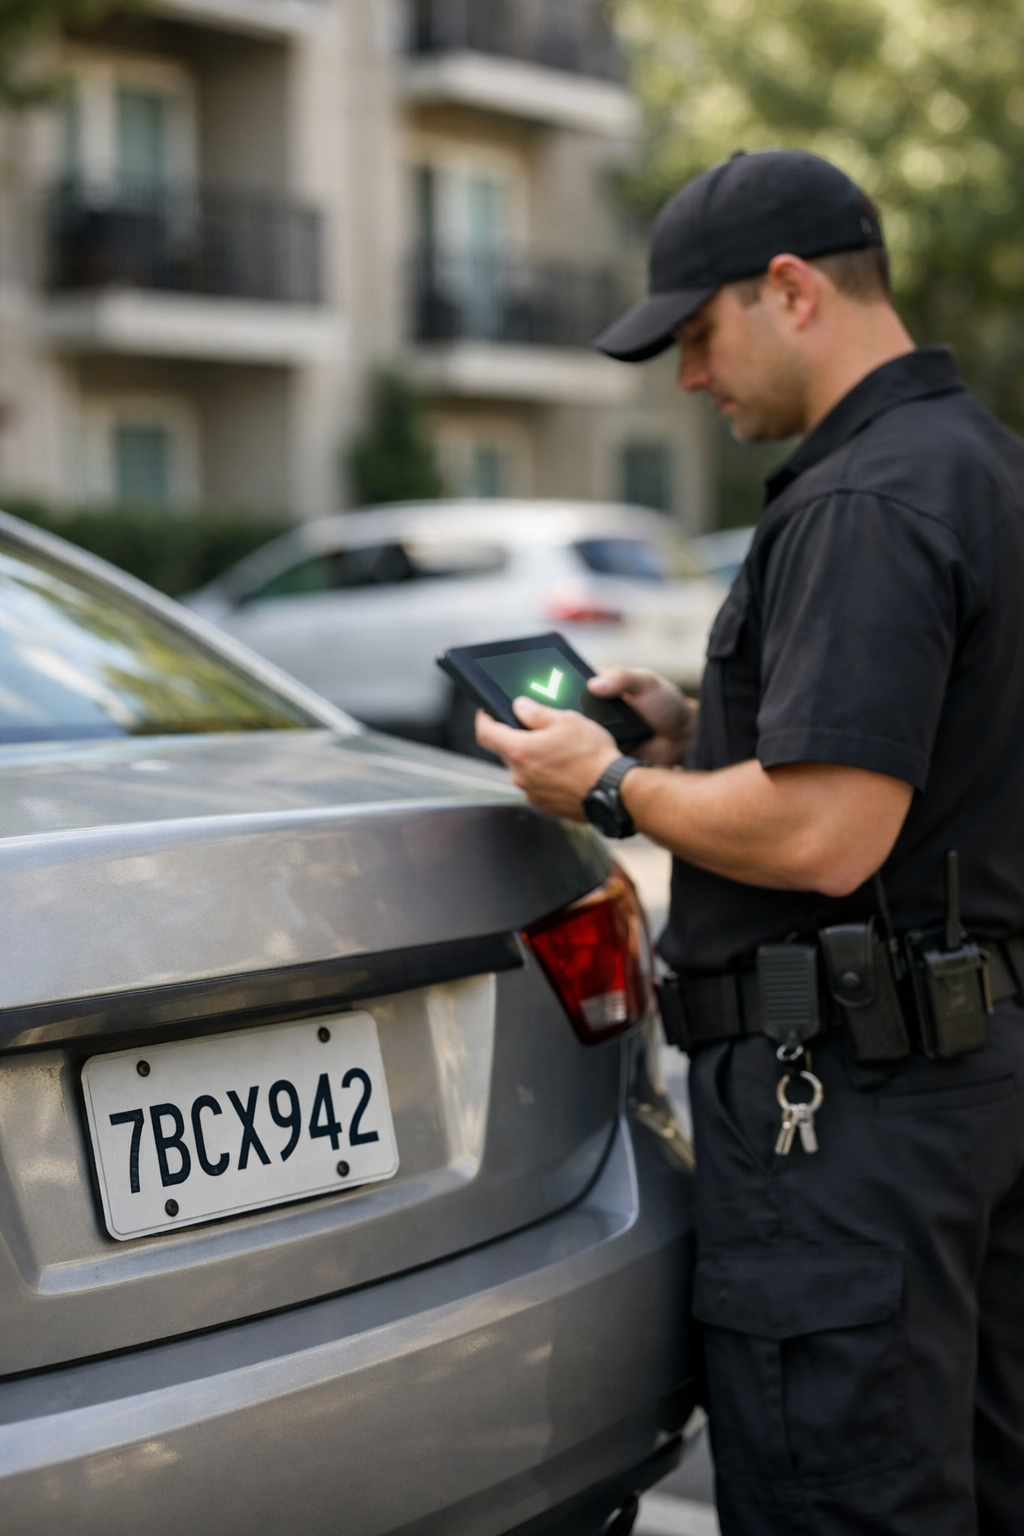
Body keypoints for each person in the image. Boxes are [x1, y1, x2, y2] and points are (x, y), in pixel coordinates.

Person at [475, 149, 1024, 1535]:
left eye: (695, 333)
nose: (686, 378)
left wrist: (606, 786)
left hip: (846, 1110)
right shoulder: (981, 465)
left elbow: (831, 832)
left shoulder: (860, 498)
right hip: (966, 1091)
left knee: (848, 1505)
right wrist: (686, 745)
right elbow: (936, 768)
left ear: (789, 291)